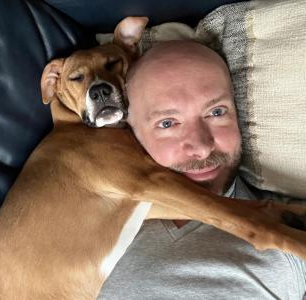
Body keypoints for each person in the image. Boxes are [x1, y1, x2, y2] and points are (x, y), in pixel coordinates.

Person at [97, 40, 306, 299]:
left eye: (217, 112)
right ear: (129, 130)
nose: (202, 148)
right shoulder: (85, 210)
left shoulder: (293, 230)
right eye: (168, 123)